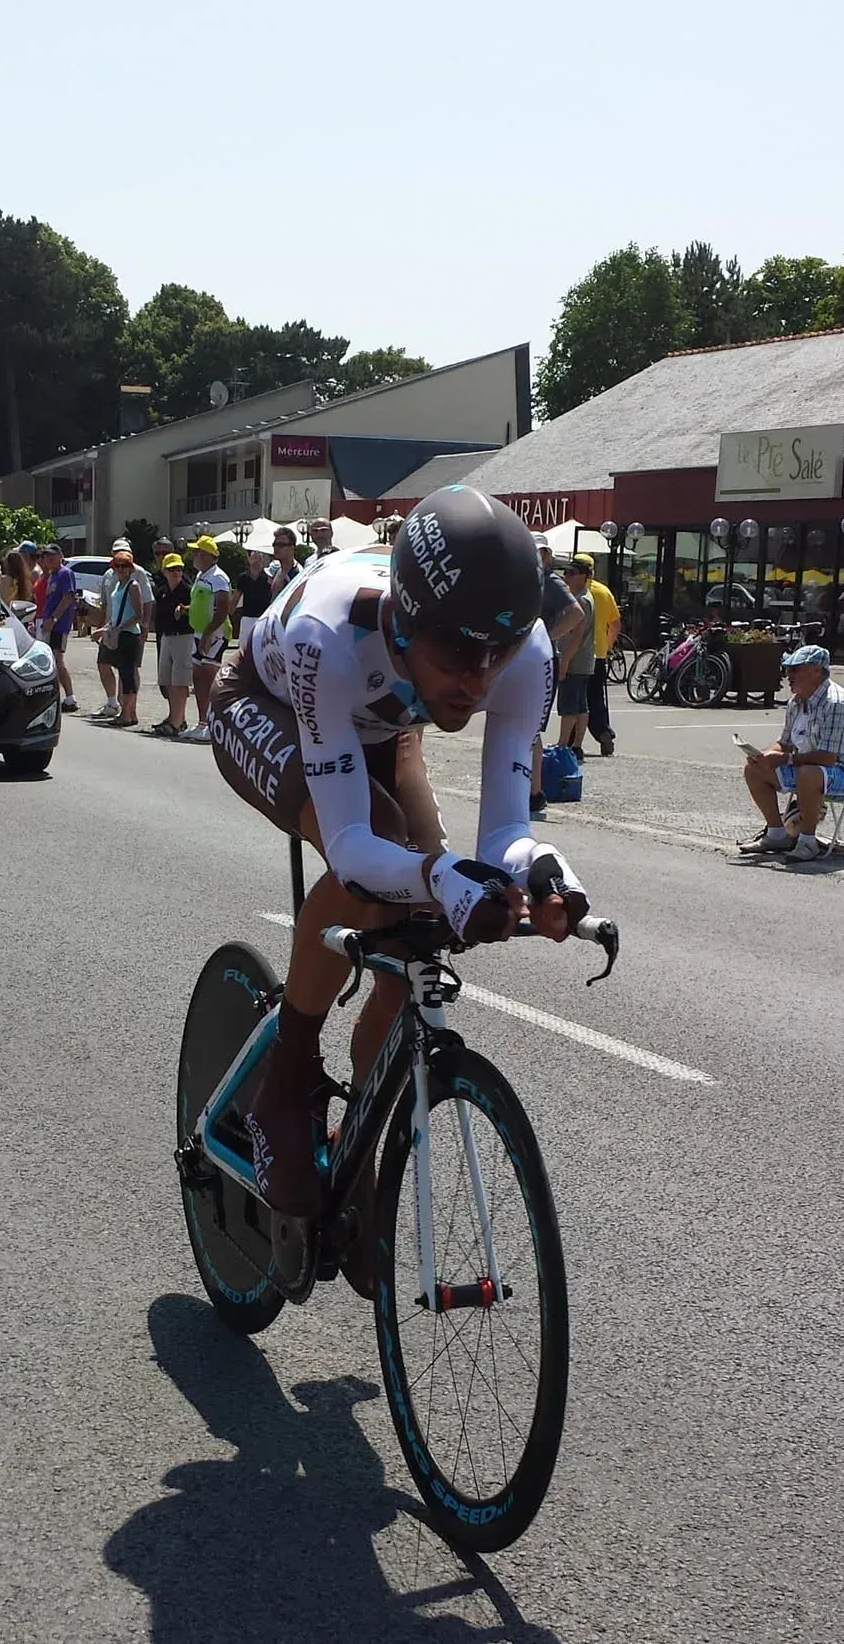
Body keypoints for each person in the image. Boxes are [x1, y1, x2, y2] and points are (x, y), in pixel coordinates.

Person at [208, 487, 588, 1231]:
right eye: (456, 654)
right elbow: (352, 848)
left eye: (496, 655)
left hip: (384, 720)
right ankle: (285, 1076)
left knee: (423, 913)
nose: (477, 680)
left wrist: (545, 873)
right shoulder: (331, 632)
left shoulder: (528, 650)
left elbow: (506, 833)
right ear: (406, 623)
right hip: (266, 699)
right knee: (380, 855)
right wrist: (438, 878)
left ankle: (362, 1130)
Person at [739, 644, 844, 861]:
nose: (788, 674)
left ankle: (807, 842)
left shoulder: (837, 703)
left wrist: (785, 759)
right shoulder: (796, 701)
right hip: (808, 768)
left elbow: (828, 758)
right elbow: (786, 744)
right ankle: (776, 834)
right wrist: (762, 756)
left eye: (796, 668)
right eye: (788, 668)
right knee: (754, 769)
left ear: (817, 671)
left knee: (808, 773)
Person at [532, 540, 589, 818]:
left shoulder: (550, 581)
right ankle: (528, 787)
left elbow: (576, 614)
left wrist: (546, 637)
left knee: (530, 726)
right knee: (522, 725)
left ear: (547, 555)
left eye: (540, 551)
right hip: (527, 658)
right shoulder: (528, 578)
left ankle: (535, 791)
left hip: (541, 659)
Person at [94, 540, 148, 726]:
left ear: (130, 567)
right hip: (119, 633)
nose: (120, 569)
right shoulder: (117, 586)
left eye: (124, 566)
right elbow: (114, 613)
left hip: (129, 635)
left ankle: (127, 714)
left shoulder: (133, 585)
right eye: (117, 565)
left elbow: (138, 615)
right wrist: (104, 628)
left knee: (127, 675)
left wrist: (121, 627)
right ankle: (128, 714)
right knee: (124, 673)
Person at [182, 534, 231, 742]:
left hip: (214, 634)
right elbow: (201, 604)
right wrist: (186, 609)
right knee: (198, 678)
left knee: (210, 678)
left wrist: (209, 633)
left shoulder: (219, 577)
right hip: (200, 632)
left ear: (208, 555)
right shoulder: (201, 576)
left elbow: (223, 609)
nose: (193, 556)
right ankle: (203, 723)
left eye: (198, 552)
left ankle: (214, 724)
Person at [577, 552, 620, 755]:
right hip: (599, 652)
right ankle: (603, 732)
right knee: (596, 697)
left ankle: (571, 739)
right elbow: (616, 624)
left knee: (575, 697)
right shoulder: (603, 592)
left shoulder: (573, 590)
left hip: (577, 652)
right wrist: (608, 645)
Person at [149, 549, 195, 736]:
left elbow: (198, 607)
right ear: (164, 572)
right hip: (166, 637)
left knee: (180, 682)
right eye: (172, 569)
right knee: (167, 681)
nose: (176, 572)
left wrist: (185, 609)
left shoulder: (187, 590)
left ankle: (177, 723)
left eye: (178, 569)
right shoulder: (162, 592)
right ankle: (174, 717)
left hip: (183, 636)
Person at [555, 558, 597, 755]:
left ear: (583, 576)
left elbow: (577, 635)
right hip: (584, 659)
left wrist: (565, 661)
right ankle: (576, 744)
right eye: (566, 572)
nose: (566, 576)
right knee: (580, 704)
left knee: (569, 704)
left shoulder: (580, 599)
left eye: (571, 573)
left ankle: (563, 744)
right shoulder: (584, 596)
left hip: (575, 659)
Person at [34, 541, 79, 711]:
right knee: (49, 660)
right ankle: (54, 695)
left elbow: (68, 598)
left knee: (57, 660)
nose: (48, 559)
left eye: (52, 555)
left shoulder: (65, 573)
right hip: (48, 623)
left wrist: (53, 619)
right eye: (46, 556)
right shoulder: (51, 575)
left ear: (60, 556)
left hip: (58, 625)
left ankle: (70, 697)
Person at [231, 547, 276, 653]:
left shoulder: (268, 577)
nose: (255, 562)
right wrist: (230, 613)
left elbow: (274, 595)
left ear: (262, 561)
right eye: (253, 559)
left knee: (262, 648)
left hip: (264, 617)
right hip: (247, 617)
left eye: (258, 559)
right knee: (244, 648)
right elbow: (236, 597)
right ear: (249, 560)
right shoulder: (243, 577)